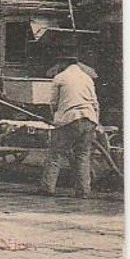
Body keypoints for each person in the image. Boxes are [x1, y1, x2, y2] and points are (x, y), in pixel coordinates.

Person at [40, 58, 100, 198]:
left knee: (56, 154)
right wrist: (96, 122)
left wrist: (55, 118)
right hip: (89, 119)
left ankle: (47, 188)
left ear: (62, 64)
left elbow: (53, 103)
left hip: (69, 118)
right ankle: (84, 191)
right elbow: (95, 103)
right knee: (83, 156)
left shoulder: (60, 78)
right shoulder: (87, 78)